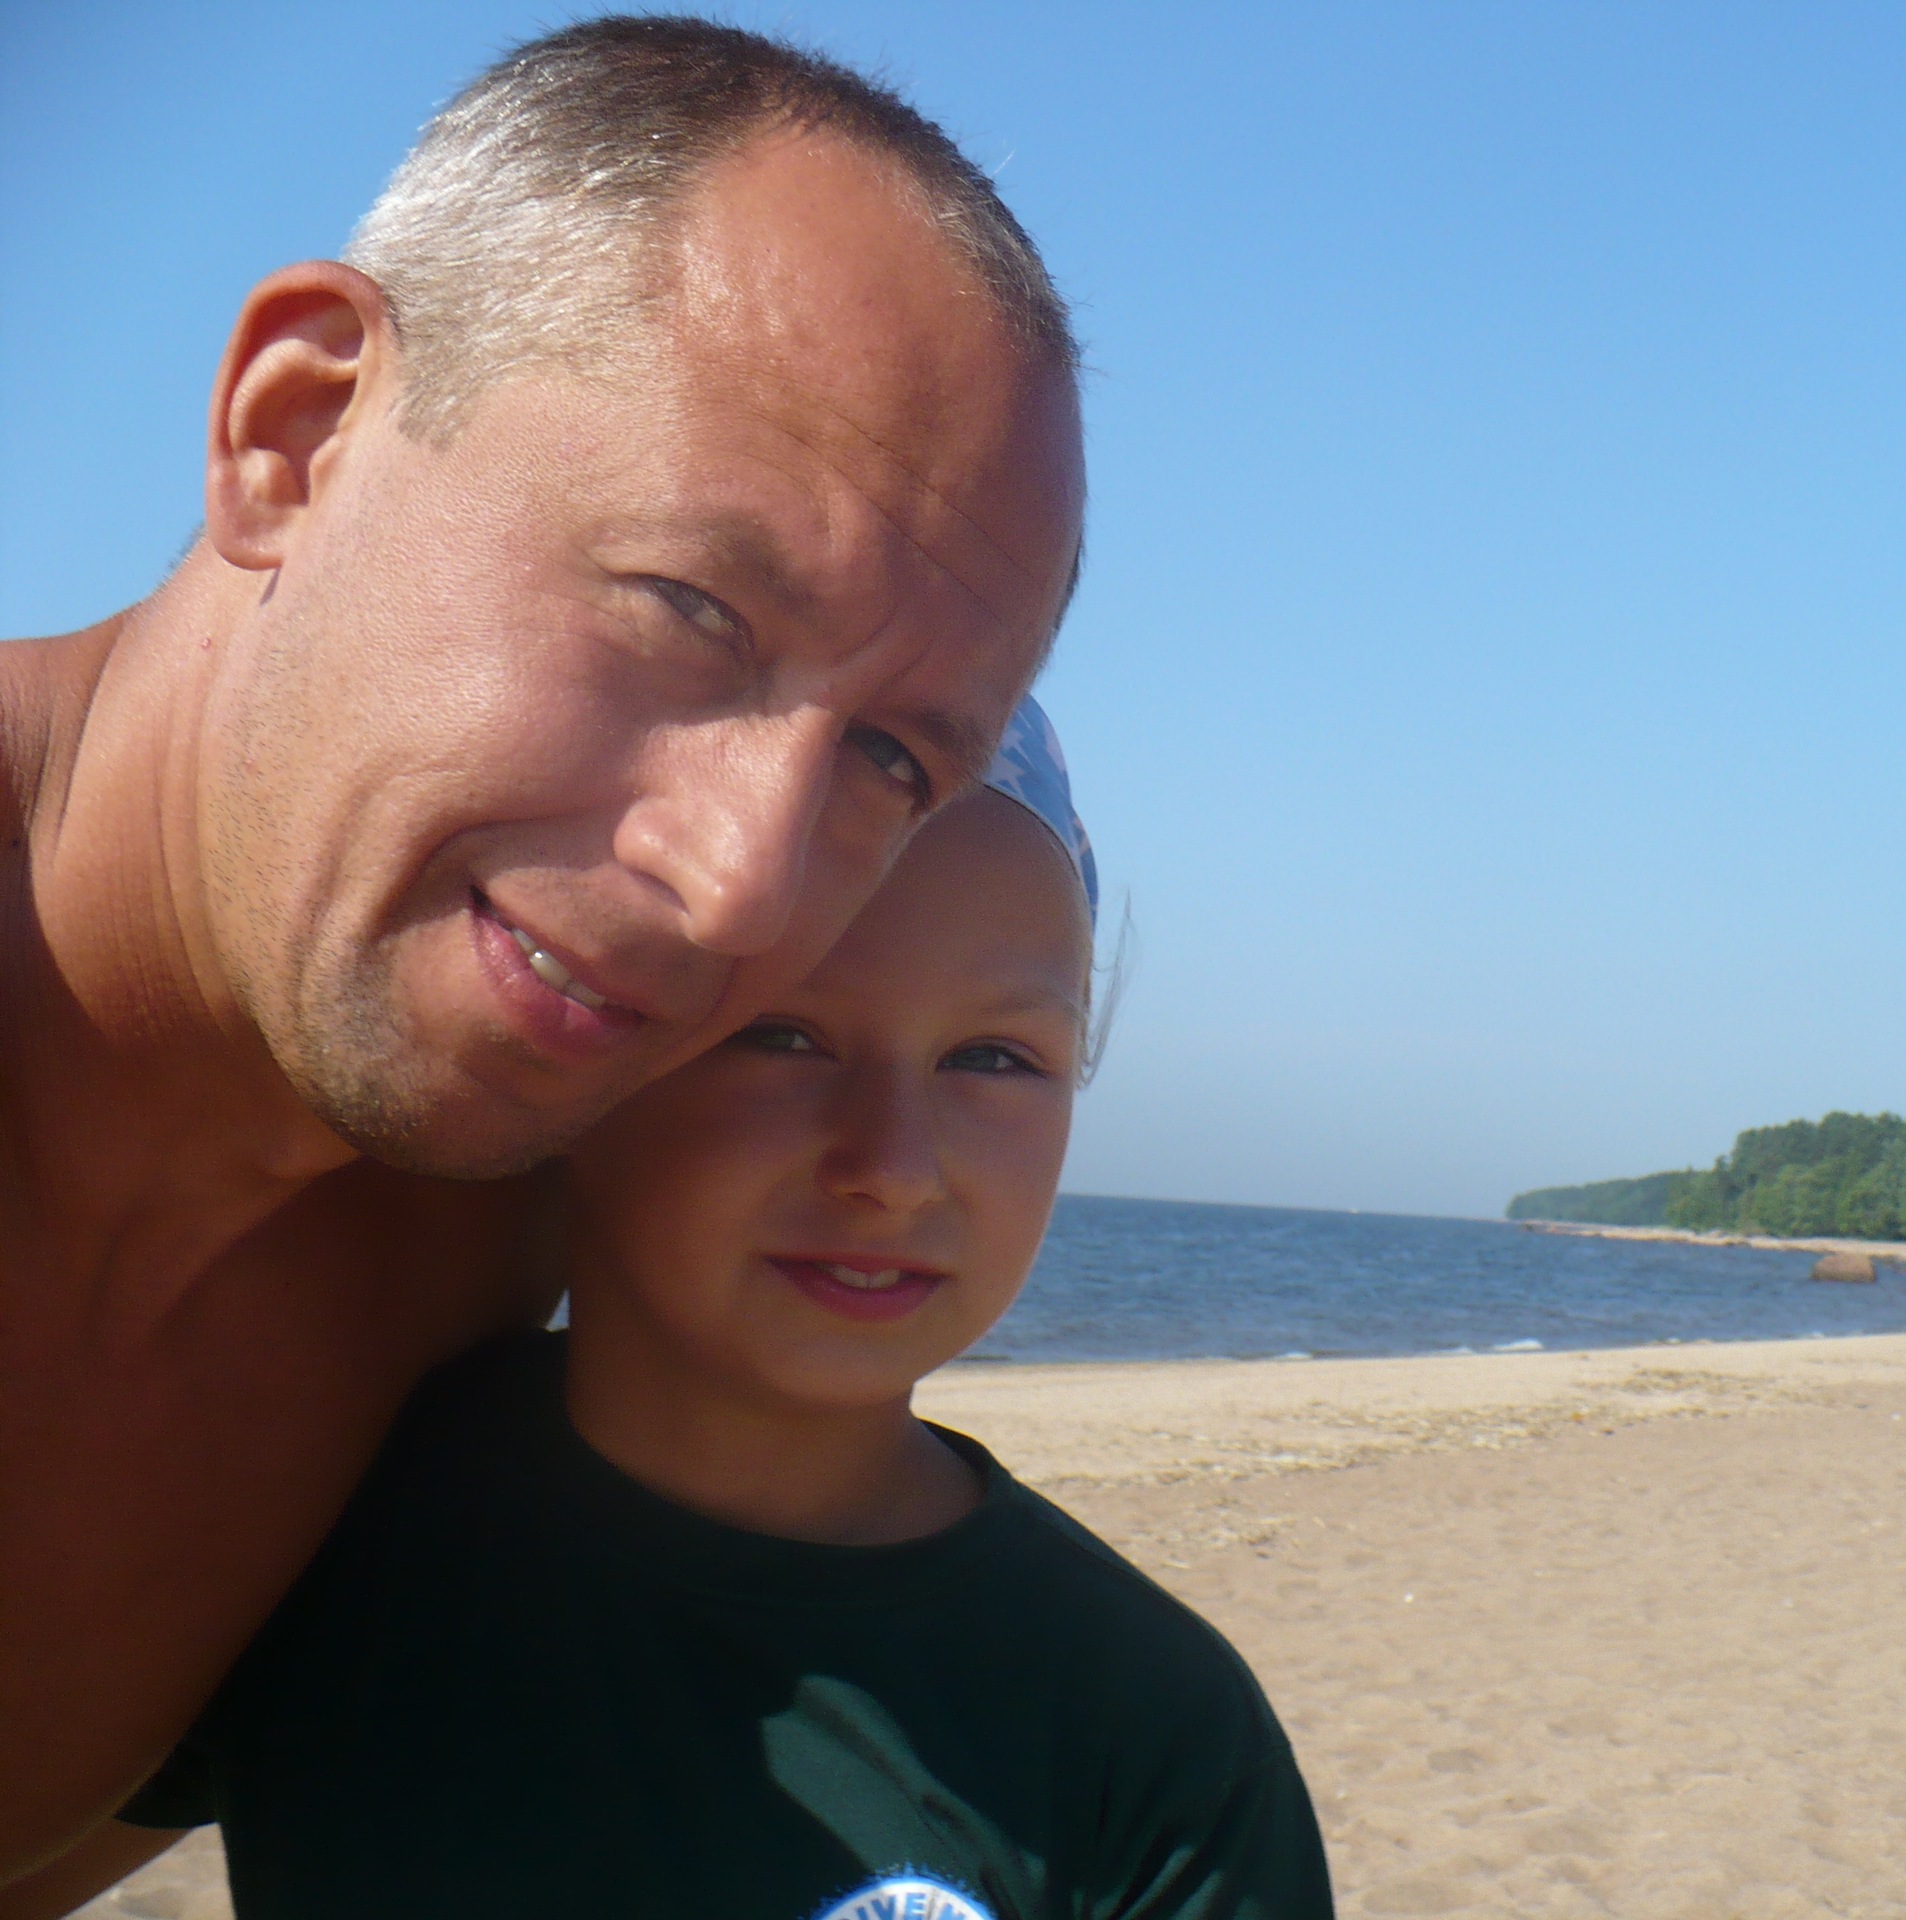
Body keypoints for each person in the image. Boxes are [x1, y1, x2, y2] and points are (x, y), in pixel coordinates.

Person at [0, 18, 1084, 1889]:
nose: (742, 892)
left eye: (895, 761)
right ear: (298, 431)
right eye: (688, 606)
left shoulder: (484, 1241)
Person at [66, 703, 1332, 1919]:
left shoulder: (1147, 1735)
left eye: (993, 1059)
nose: (892, 1167)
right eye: (782, 1035)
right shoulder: (316, 1511)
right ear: (587, 1056)